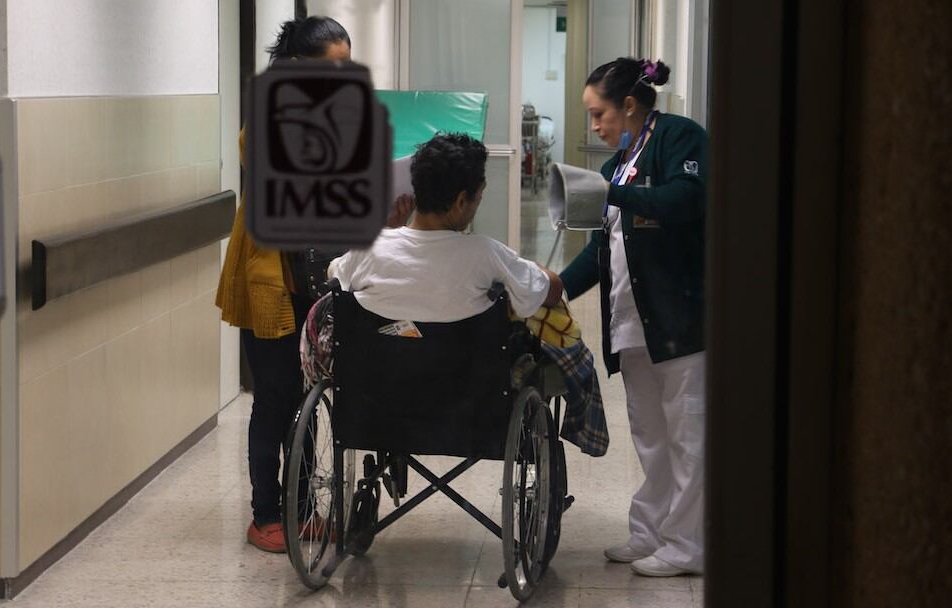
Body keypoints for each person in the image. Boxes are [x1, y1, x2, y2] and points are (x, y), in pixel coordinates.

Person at [216, 16, 414, 553]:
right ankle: (265, 515)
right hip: (270, 285)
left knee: (306, 400)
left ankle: (302, 509)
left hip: (313, 281)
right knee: (275, 399)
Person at [559, 57, 707, 577]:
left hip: (679, 316)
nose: (594, 126)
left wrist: (611, 193)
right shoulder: (615, 166)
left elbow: (687, 199)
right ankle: (651, 532)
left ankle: (689, 546)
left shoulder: (679, 138)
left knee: (687, 432)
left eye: (599, 114)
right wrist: (558, 286)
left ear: (629, 105)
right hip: (632, 319)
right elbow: (604, 246)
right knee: (650, 432)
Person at [329, 133, 562, 321]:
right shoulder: (487, 254)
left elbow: (334, 276)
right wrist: (527, 265)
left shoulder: (368, 251)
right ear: (461, 201)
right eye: (479, 196)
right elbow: (552, 291)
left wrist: (389, 233)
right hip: (465, 378)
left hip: (379, 378)